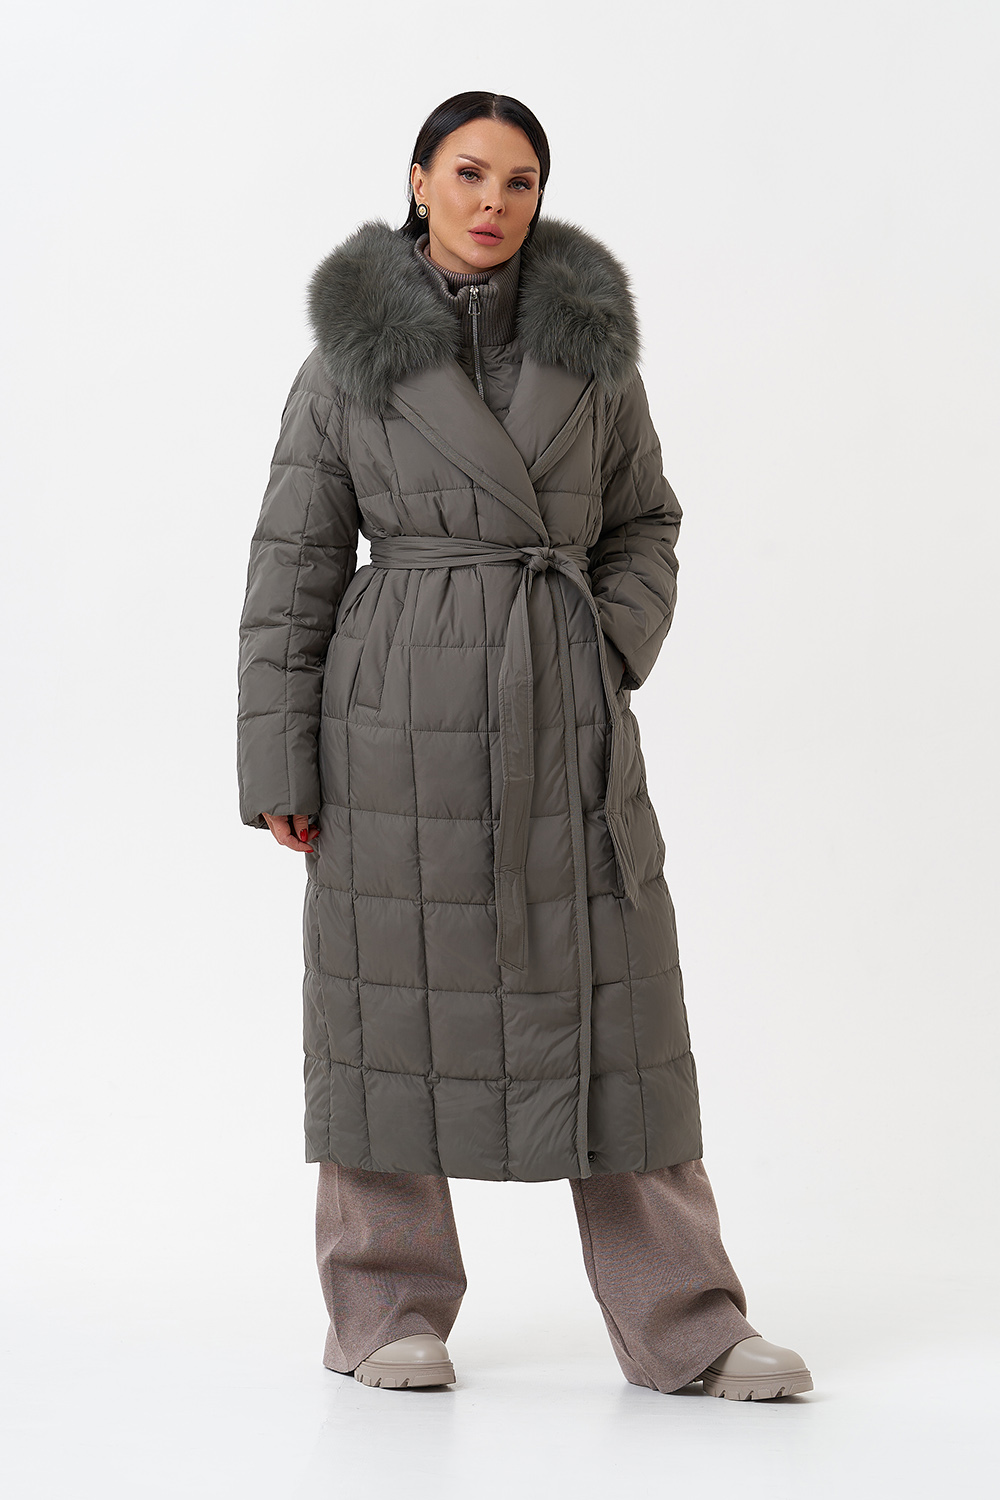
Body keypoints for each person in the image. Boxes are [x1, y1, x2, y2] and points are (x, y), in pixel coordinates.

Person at [236, 90, 812, 1401]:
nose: (494, 202)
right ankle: (383, 1311)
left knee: (623, 1020)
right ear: (420, 181)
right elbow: (292, 567)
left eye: (520, 180)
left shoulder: (593, 357)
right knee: (387, 1016)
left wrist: (605, 645)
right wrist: (280, 764)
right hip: (397, 732)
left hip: (564, 724)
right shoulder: (344, 367)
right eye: (469, 173)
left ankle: (689, 1322)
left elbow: (645, 521)